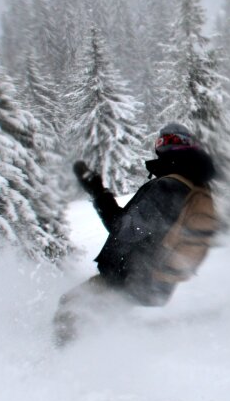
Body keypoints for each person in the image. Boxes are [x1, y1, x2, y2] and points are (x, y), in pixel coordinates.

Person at [53, 123, 220, 344]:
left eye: (164, 141)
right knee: (99, 322)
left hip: (131, 279)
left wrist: (97, 191)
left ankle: (63, 360)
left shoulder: (167, 188)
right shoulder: (195, 186)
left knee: (71, 308)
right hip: (158, 283)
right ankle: (96, 352)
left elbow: (123, 230)